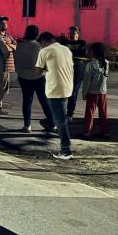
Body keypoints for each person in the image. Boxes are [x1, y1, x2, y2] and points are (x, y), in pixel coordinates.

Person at [36, 32, 74, 160]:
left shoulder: (45, 51)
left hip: (55, 89)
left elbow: (38, 71)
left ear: (44, 42)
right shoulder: (66, 49)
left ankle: (65, 150)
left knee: (60, 121)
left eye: (41, 44)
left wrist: (46, 68)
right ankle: (49, 122)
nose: (41, 47)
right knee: (59, 116)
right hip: (67, 87)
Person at [14, 24, 55, 133]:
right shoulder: (39, 46)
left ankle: (27, 126)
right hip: (39, 77)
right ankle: (52, 124)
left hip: (23, 76)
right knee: (44, 101)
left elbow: (16, 60)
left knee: (27, 101)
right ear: (37, 34)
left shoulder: (20, 45)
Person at [80, 42, 110, 139]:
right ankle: (104, 132)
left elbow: (87, 81)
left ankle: (87, 132)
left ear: (94, 52)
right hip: (103, 92)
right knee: (103, 112)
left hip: (92, 92)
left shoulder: (90, 65)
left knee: (90, 113)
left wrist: (84, 93)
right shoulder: (106, 63)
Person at [64, 26, 87, 119]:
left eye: (74, 33)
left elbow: (81, 53)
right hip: (66, 68)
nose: (71, 35)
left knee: (74, 91)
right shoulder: (64, 43)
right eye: (70, 33)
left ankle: (70, 113)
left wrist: (71, 53)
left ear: (78, 34)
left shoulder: (82, 43)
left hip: (78, 68)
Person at [0, 16, 17, 93]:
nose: (5, 24)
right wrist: (11, 46)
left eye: (6, 23)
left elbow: (16, 47)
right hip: (0, 68)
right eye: (3, 23)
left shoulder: (8, 36)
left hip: (7, 68)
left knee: (4, 90)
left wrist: (9, 45)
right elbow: (4, 48)